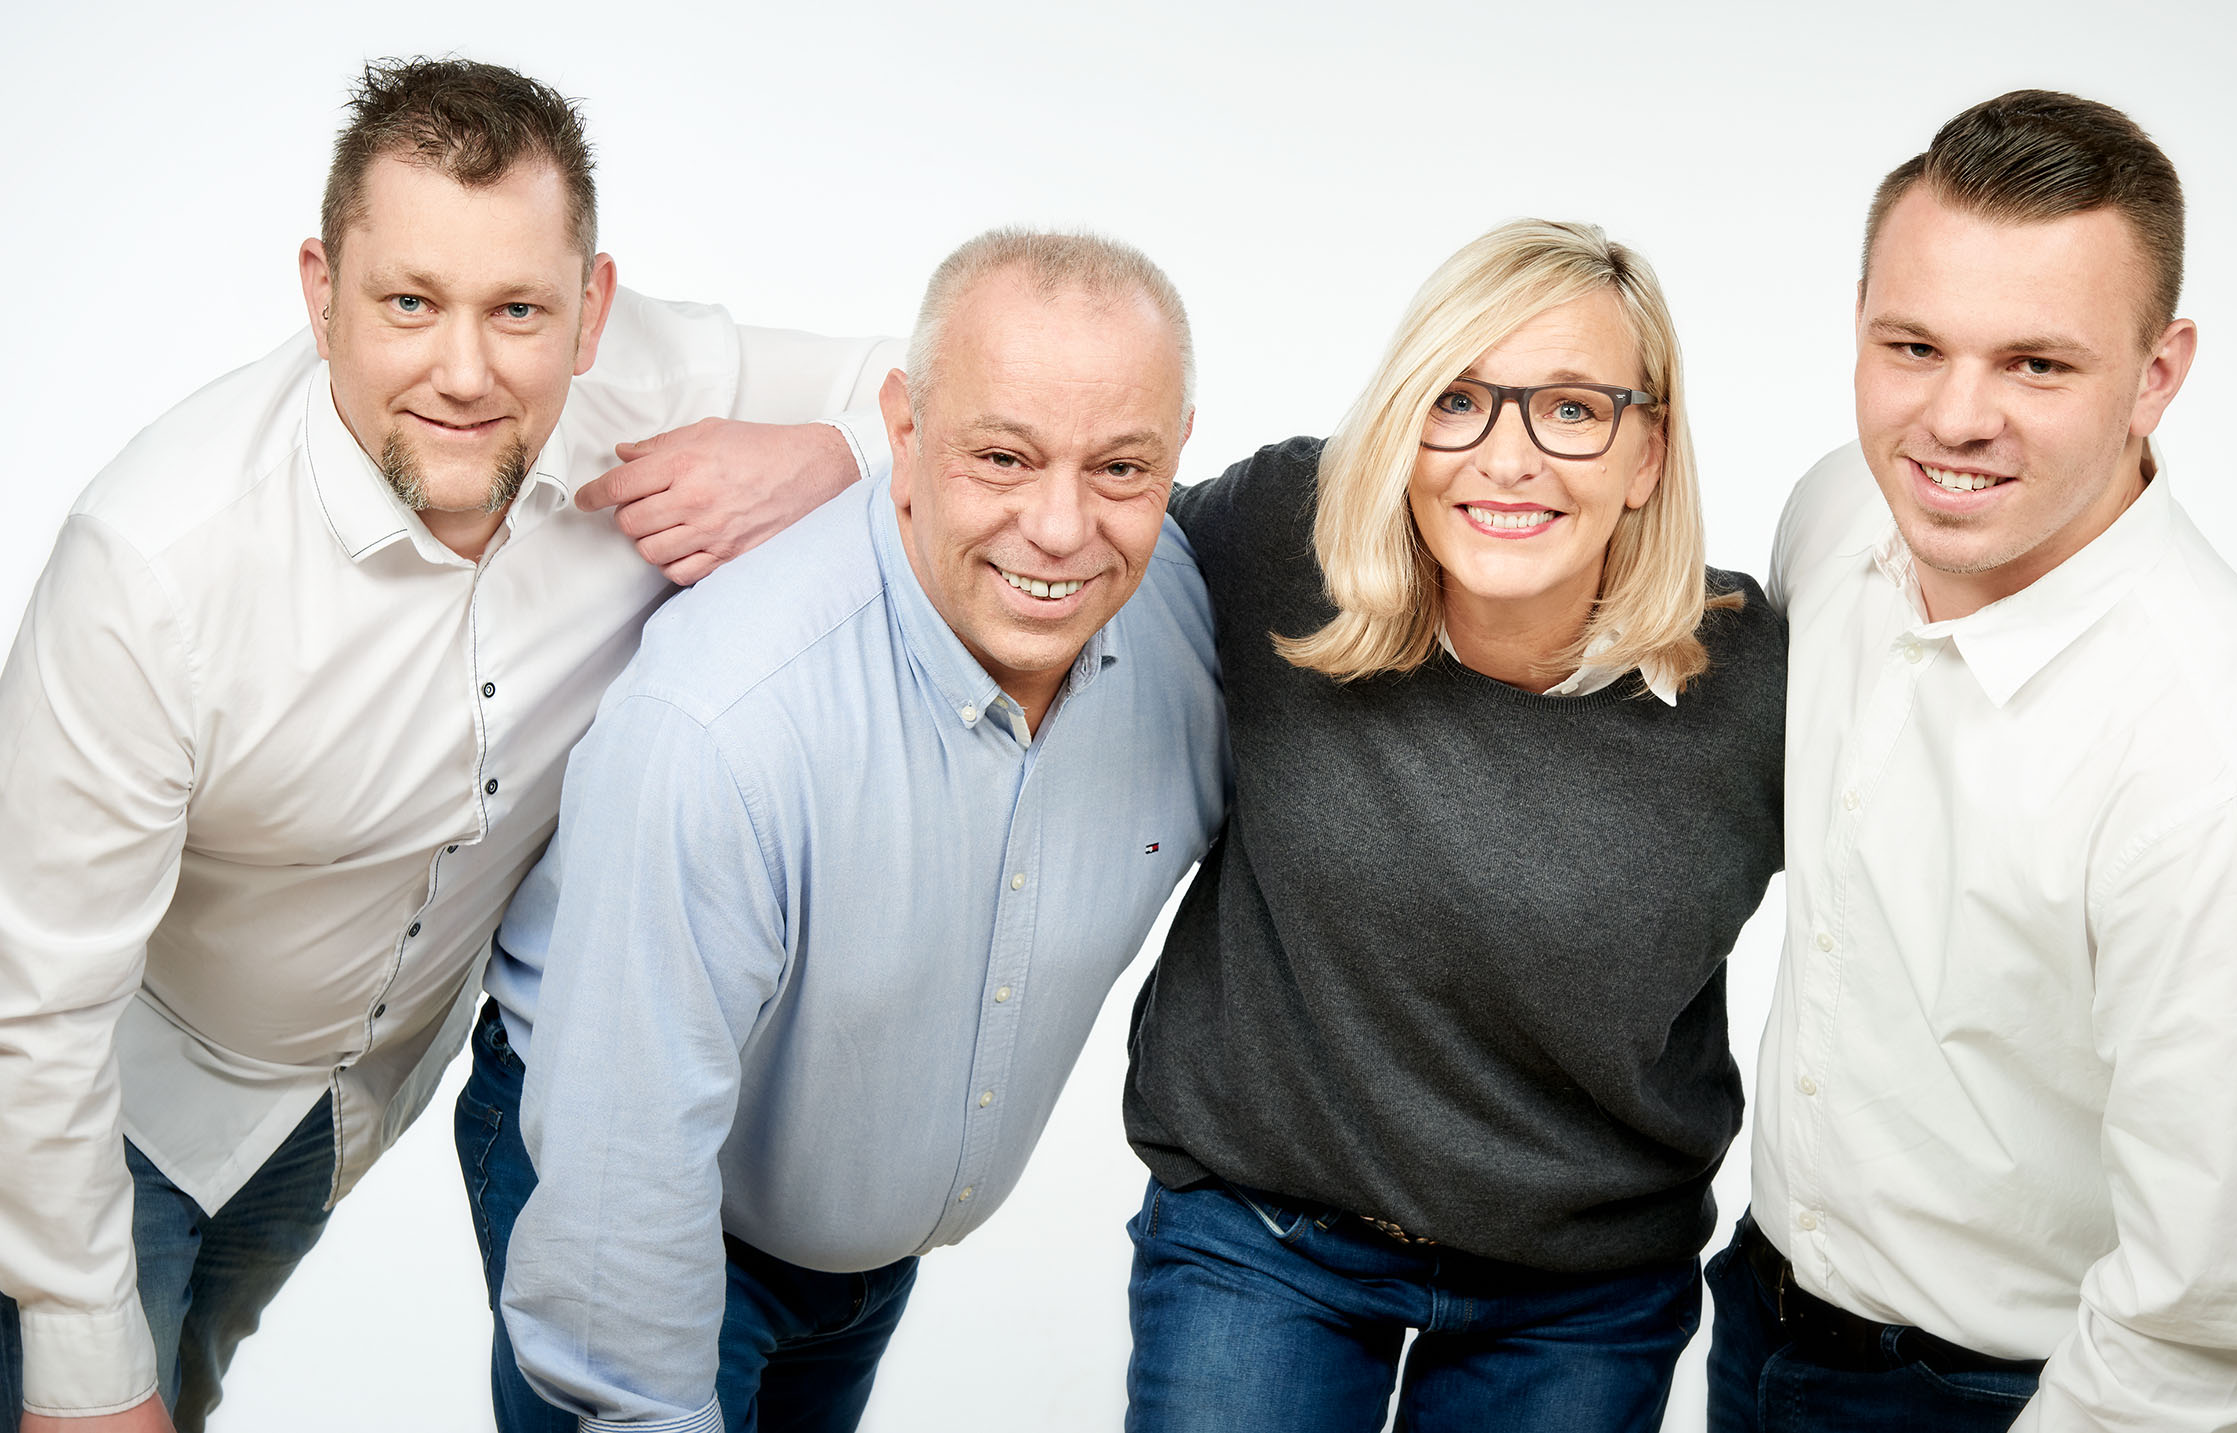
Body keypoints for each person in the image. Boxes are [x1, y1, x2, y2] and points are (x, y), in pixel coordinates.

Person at [0, 57, 899, 1433]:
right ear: (320, 291)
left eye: (519, 309)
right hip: (93, 1120)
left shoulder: (653, 377)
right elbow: (31, 1011)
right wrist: (80, 1374)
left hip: (352, 1103)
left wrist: (828, 454)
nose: (466, 371)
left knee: (188, 1390)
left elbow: (957, 404)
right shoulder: (154, 567)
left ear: (593, 309)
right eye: (409, 303)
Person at [1706, 90, 2237, 1433]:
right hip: (1761, 1315)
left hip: (2000, 1396)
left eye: (2037, 364)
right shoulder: (1837, 514)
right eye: (1913, 345)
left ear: (2159, 375)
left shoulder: (2234, 782)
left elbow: (2208, 1320)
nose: (1955, 420)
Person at [472, 228, 1228, 1433]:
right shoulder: (725, 724)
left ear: (1179, 452)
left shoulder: (1192, 629)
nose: (1059, 526)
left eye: (1122, 468)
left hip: (856, 1260)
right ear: (904, 431)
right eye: (1002, 455)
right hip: (635, 1168)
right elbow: (624, 1186)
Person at [1119, 218, 1786, 1432]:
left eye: (1574, 409)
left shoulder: (1760, 686)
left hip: (1580, 1285)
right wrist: (831, 450)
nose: (1508, 457)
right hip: (1265, 1232)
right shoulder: (1282, 533)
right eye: (1459, 400)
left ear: (1650, 450)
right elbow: (1060, 484)